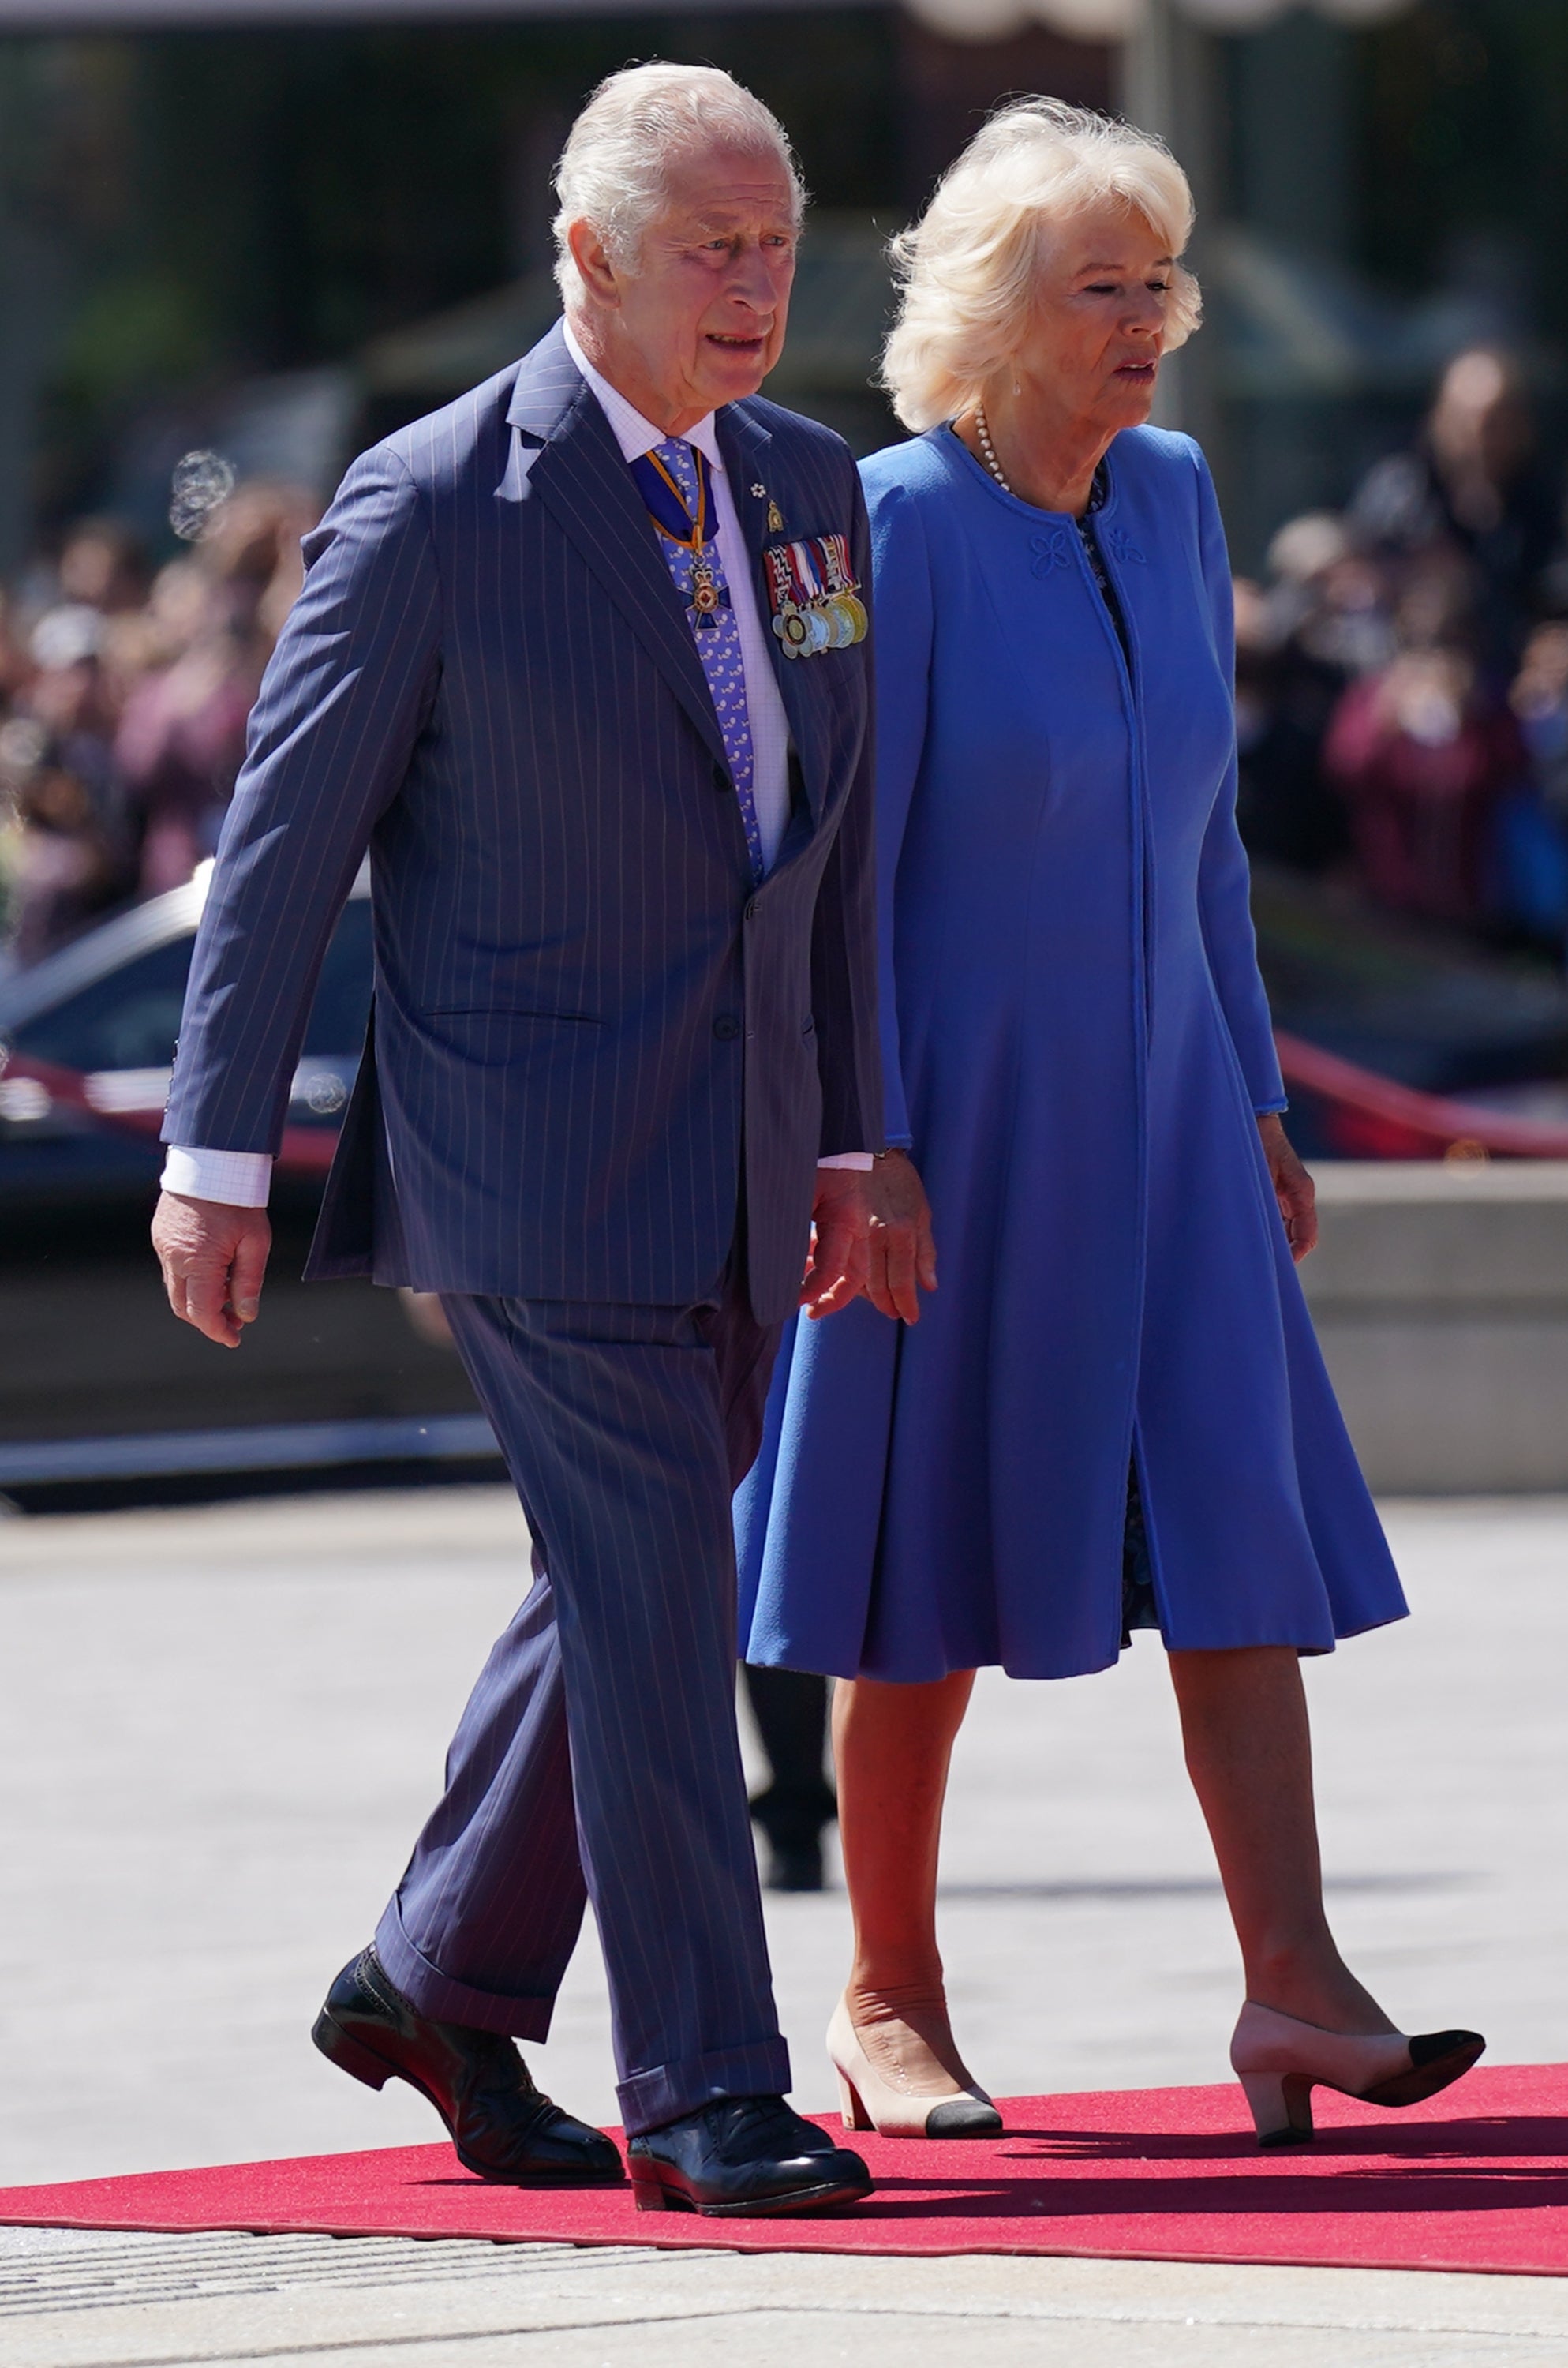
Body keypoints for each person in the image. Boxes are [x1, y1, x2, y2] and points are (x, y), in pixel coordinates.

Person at [151, 63, 885, 2220]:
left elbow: (818, 859)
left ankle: (438, 1973)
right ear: (588, 258)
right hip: (528, 1151)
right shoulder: (433, 500)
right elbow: (284, 846)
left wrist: (848, 1141)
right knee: (665, 1586)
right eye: (710, 251)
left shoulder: (806, 483)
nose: (756, 287)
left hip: (750, 1147)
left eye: (775, 243)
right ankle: (705, 2086)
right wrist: (215, 1154)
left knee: (622, 1581)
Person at [735, 98, 1484, 2152]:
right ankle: (884, 1995)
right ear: (992, 314)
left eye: (1161, 278)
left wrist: (1251, 1090)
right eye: (1104, 286)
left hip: (1166, 1127)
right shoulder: (882, 523)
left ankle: (1293, 1989)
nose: (1150, 317)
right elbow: (828, 873)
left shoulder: (1165, 495)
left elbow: (1204, 849)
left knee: (1234, 1538)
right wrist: (856, 1141)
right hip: (947, 1142)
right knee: (922, 1565)